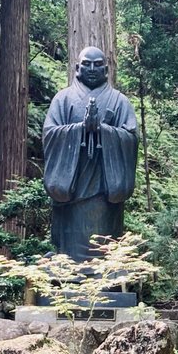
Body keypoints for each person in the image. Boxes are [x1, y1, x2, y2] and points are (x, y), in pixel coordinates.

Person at [42, 46, 139, 261]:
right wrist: (80, 129)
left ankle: (105, 277)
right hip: (73, 185)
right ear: (77, 68)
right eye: (87, 64)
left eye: (97, 65)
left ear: (106, 70)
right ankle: (68, 269)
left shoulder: (120, 101)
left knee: (103, 245)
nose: (92, 69)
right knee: (70, 247)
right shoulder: (63, 99)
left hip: (104, 186)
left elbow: (131, 138)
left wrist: (104, 131)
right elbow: (49, 134)